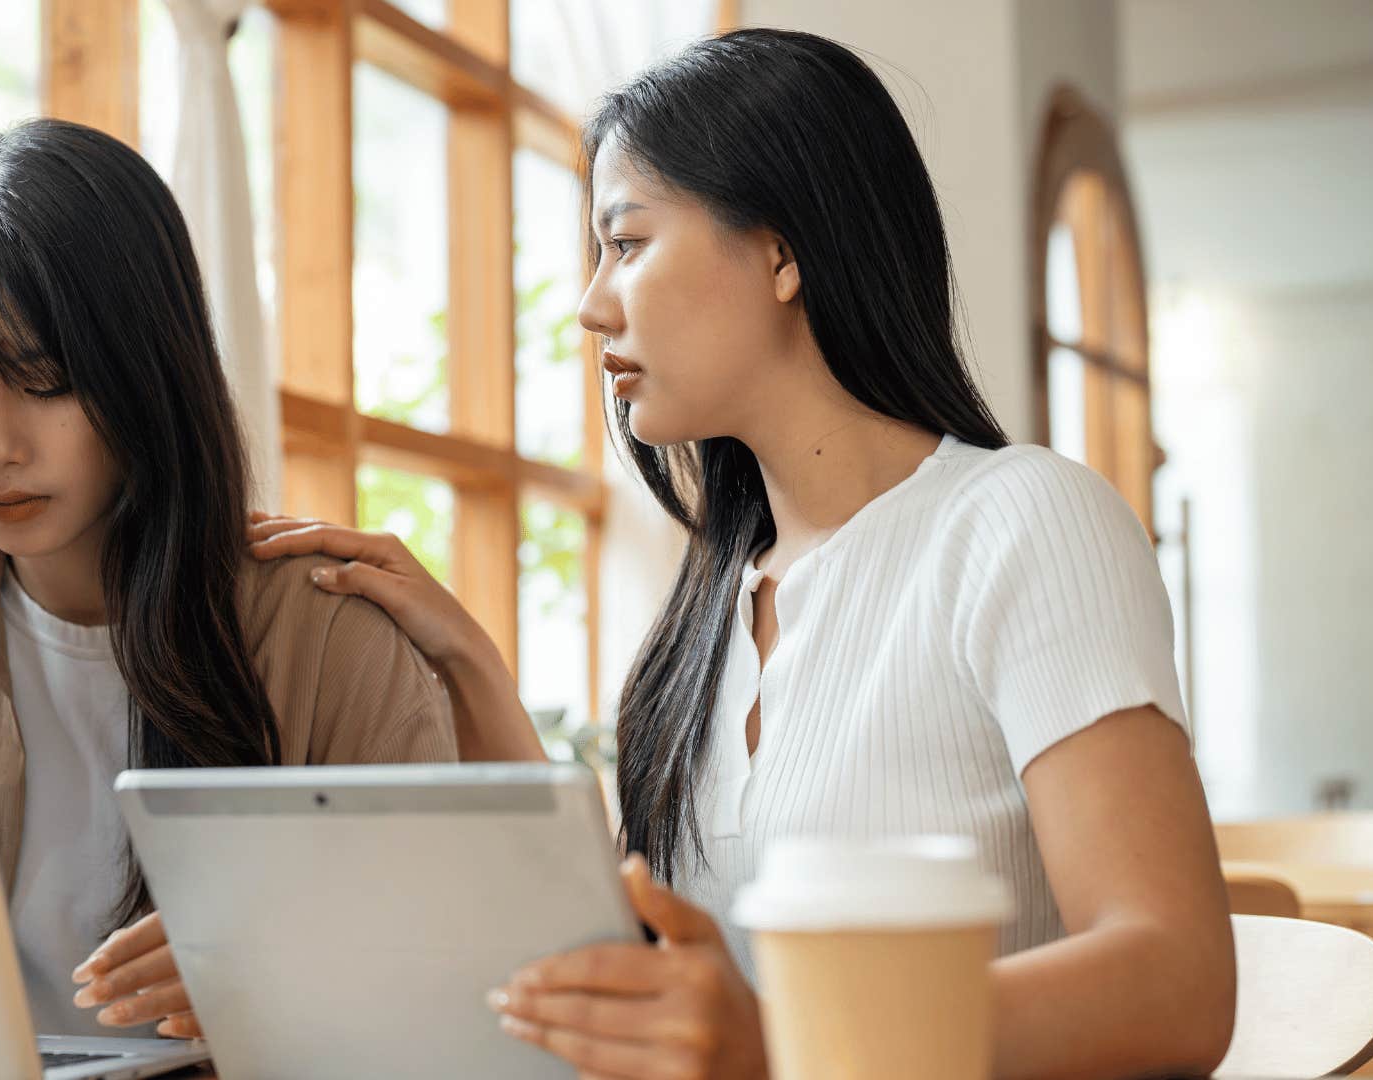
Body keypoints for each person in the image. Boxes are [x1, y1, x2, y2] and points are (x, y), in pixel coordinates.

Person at [243, 28, 1236, 1080]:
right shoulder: (712, 605)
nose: (589, 305)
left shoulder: (1023, 523)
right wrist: (468, 665)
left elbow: (1174, 983)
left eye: (625, 244)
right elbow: (652, 976)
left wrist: (790, 1041)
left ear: (780, 250)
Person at [0, 119, 456, 1038]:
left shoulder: (322, 632)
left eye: (45, 382)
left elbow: (451, 996)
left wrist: (279, 974)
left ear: (143, 370)